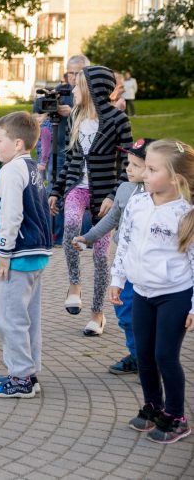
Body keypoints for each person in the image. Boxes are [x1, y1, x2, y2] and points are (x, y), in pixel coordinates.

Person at [109, 139, 194, 444]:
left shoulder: (186, 213)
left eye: (152, 169)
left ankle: (176, 417)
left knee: (164, 356)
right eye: (145, 167)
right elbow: (126, 242)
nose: (144, 173)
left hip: (175, 294)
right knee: (143, 354)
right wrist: (117, 278)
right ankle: (153, 407)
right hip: (141, 291)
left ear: (175, 179)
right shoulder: (138, 201)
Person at [49, 65, 133, 336]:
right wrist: (56, 190)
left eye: (78, 85)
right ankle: (74, 284)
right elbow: (70, 158)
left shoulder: (119, 121)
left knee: (100, 256)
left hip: (105, 195)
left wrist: (114, 195)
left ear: (92, 89)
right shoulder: (75, 116)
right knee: (71, 223)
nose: (72, 90)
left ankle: (97, 315)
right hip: (77, 187)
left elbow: (127, 165)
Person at [0, 112, 53, 399]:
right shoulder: (32, 167)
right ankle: (28, 371)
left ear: (18, 143)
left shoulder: (11, 170)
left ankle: (20, 377)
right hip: (34, 254)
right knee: (28, 317)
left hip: (17, 255)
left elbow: (12, 214)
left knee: (8, 317)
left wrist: (4, 252)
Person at [74, 138, 152, 375]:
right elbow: (111, 219)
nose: (128, 169)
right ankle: (137, 356)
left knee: (150, 317)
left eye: (136, 165)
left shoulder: (161, 194)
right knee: (125, 313)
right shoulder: (125, 189)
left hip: (151, 268)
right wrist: (88, 237)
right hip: (126, 265)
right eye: (128, 163)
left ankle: (151, 360)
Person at [35, 54, 86, 244]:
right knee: (52, 193)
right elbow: (39, 109)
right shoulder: (60, 91)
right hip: (55, 151)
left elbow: (92, 116)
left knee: (71, 191)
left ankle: (68, 235)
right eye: (70, 73)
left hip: (75, 151)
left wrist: (71, 111)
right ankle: (53, 234)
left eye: (77, 73)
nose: (72, 78)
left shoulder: (86, 94)